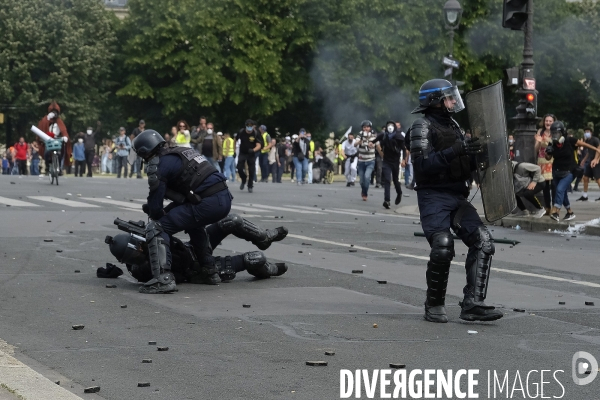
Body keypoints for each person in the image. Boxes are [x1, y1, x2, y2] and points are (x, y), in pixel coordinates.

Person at [406, 78, 503, 323]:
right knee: (442, 244)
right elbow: (423, 166)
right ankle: (434, 304)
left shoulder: (454, 126)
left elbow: (461, 163)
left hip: (457, 196)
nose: (453, 101)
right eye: (449, 97)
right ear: (435, 101)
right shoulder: (421, 126)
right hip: (433, 197)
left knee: (483, 240)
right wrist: (457, 150)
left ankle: (472, 303)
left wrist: (482, 155)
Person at [132, 130, 232, 293]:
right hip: (223, 197)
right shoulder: (181, 152)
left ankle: (163, 279)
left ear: (144, 152)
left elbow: (156, 205)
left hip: (207, 202)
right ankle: (209, 271)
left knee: (157, 228)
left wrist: (156, 213)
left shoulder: (159, 164)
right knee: (194, 224)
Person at [544, 121, 600, 221]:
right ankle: (570, 212)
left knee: (559, 190)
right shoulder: (552, 143)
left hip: (570, 171)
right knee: (563, 193)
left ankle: (556, 211)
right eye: (553, 133)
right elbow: (548, 158)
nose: (555, 135)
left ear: (562, 133)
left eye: (557, 133)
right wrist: (548, 152)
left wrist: (596, 149)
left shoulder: (569, 140)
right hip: (556, 171)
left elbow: (583, 144)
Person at [373, 120, 405, 209]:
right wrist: (371, 144)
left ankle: (399, 193)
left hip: (395, 161)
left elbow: (404, 148)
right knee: (387, 179)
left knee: (395, 180)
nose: (390, 127)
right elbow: (374, 140)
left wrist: (403, 159)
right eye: (388, 125)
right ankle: (387, 200)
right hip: (386, 161)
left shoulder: (399, 136)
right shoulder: (383, 135)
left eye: (392, 125)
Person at [37, 101, 71, 175]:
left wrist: (65, 136)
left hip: (57, 139)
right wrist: (47, 119)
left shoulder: (59, 121)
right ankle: (47, 166)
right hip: (48, 139)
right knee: (46, 152)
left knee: (59, 153)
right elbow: (41, 127)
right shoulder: (46, 119)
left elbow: (63, 129)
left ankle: (58, 167)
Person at [535, 114, 556, 215]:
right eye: (546, 121)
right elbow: (536, 149)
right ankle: (548, 207)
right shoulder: (540, 131)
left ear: (554, 122)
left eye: (550, 121)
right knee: (545, 186)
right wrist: (539, 142)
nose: (548, 123)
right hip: (542, 161)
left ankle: (556, 207)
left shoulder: (556, 132)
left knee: (555, 185)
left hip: (553, 161)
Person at [237, 119, 262, 193]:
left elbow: (259, 145)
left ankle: (250, 185)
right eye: (248, 126)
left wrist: (253, 150)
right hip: (242, 152)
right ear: (246, 126)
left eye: (251, 126)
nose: (249, 127)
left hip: (251, 153)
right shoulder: (241, 132)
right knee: (239, 168)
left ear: (253, 126)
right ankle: (243, 178)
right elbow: (236, 139)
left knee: (251, 170)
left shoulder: (256, 133)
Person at [575, 127, 600, 202]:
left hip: (597, 161)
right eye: (585, 131)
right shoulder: (587, 141)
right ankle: (585, 195)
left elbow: (598, 149)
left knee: (598, 179)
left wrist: (596, 159)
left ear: (591, 132)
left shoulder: (595, 140)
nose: (587, 133)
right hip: (590, 161)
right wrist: (584, 160)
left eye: (588, 131)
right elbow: (589, 152)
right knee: (585, 177)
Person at [355, 120, 377, 201]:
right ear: (362, 128)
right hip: (361, 161)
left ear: (370, 128)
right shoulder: (360, 135)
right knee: (361, 181)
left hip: (370, 160)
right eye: (364, 127)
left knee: (367, 177)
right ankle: (363, 190)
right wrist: (359, 142)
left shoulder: (374, 135)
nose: (366, 129)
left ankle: (365, 193)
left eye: (367, 127)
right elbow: (355, 143)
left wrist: (367, 144)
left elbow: (374, 145)